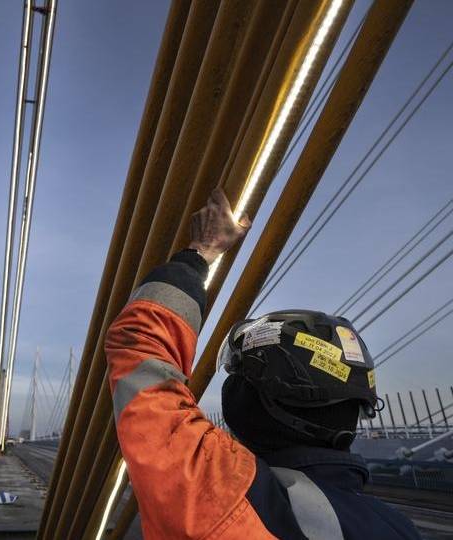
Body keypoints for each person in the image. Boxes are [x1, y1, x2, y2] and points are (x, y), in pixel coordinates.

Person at [106, 189, 421, 539]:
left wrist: (200, 252)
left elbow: (139, 347)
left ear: (259, 403)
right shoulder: (399, 528)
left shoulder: (224, 497)